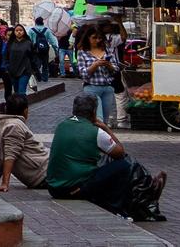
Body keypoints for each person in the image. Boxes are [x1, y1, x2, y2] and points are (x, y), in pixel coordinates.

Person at [47, 93, 165, 221]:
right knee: (125, 165)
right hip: (74, 188)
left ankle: (148, 186)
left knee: (108, 163)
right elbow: (120, 153)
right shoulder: (96, 132)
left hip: (54, 187)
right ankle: (121, 204)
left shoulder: (62, 125)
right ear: (93, 112)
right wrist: (106, 128)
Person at [0, 98, 48, 192]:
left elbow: (0, 155)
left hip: (44, 169)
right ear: (25, 111)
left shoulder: (3, 123)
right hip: (43, 174)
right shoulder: (15, 126)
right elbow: (10, 155)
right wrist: (5, 183)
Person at [76, 28, 119, 125]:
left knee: (105, 118)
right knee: (98, 119)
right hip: (91, 87)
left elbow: (116, 69)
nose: (97, 40)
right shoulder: (82, 52)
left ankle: (100, 137)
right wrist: (95, 65)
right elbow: (83, 73)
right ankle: (97, 137)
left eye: (100, 38)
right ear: (88, 38)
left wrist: (109, 65)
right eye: (94, 38)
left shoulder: (107, 51)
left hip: (108, 88)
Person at [1, 24, 36, 102]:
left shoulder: (28, 43)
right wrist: (7, 67)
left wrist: (33, 70)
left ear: (24, 31)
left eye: (21, 30)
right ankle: (18, 108)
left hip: (25, 71)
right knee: (16, 92)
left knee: (21, 92)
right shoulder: (10, 44)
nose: (19, 32)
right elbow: (6, 56)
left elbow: (32, 57)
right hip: (13, 70)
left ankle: (23, 108)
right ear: (14, 32)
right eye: (17, 30)